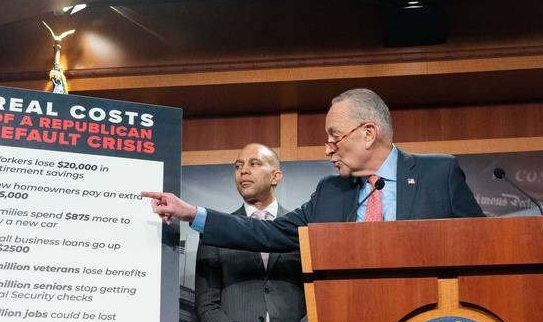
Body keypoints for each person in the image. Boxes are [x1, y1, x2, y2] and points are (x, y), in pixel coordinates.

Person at [142, 88, 485, 253]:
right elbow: (269, 234)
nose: (327, 148)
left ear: (368, 134)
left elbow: (483, 247)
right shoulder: (330, 193)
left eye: (335, 137)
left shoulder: (439, 174)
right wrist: (192, 213)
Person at [196, 143, 309, 322]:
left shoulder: (302, 229)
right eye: (238, 166)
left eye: (254, 163)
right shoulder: (215, 231)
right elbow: (207, 303)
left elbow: (318, 300)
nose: (243, 170)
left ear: (276, 176)